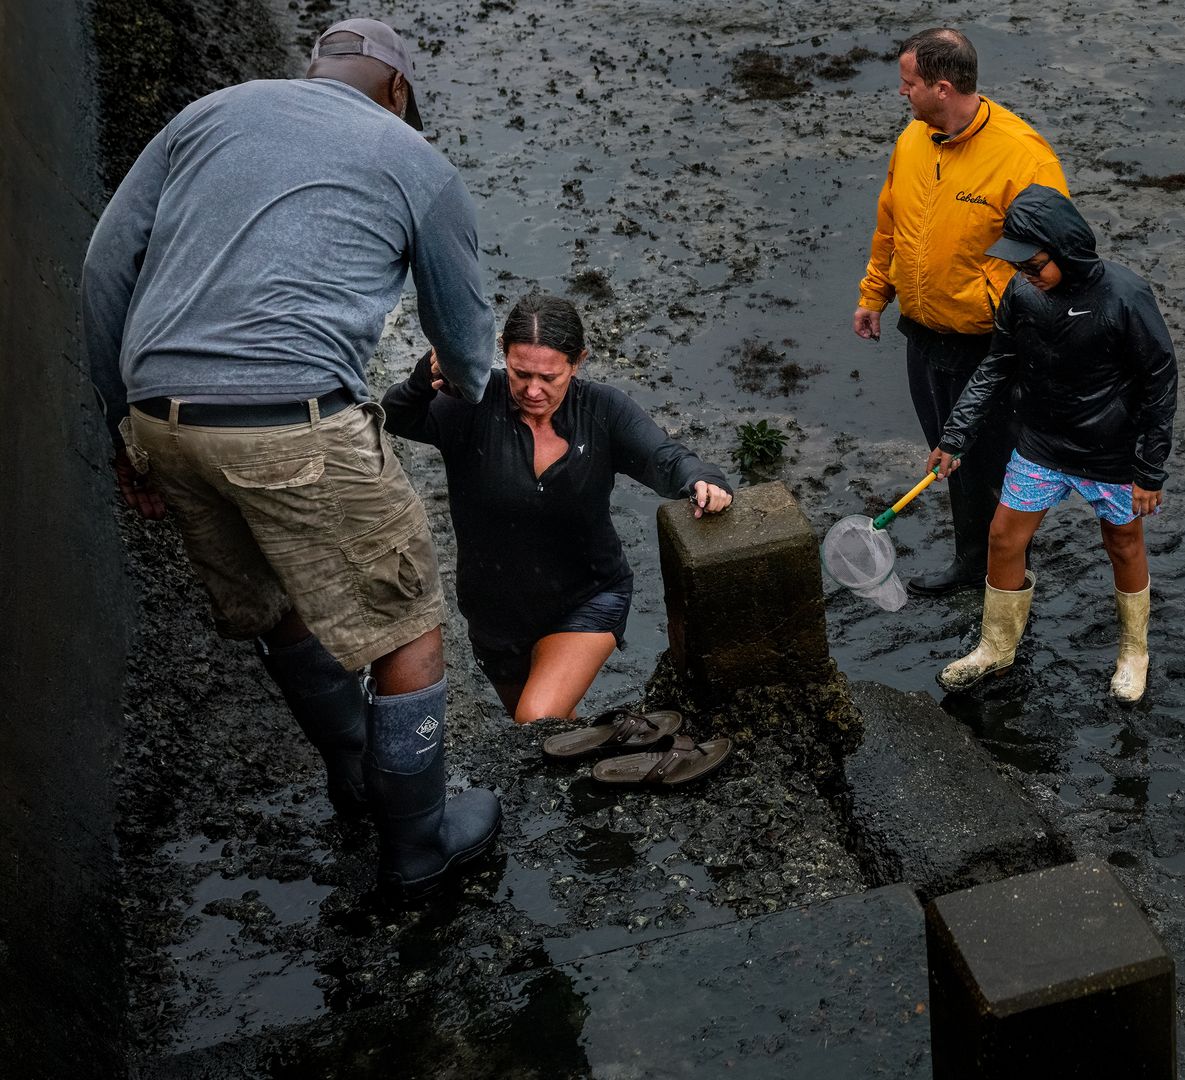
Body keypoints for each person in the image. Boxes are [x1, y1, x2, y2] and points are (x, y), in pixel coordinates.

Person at [83, 17, 500, 901]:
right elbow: (463, 343)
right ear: (397, 89)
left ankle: (354, 774)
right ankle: (419, 845)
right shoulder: (413, 159)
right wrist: (464, 387)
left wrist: (124, 421)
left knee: (279, 595)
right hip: (295, 421)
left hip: (166, 419)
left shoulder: (205, 115)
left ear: (313, 71)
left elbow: (103, 268)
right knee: (406, 619)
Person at [382, 291, 734, 728]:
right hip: (495, 614)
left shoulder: (603, 410)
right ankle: (616, 759)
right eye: (520, 373)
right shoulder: (472, 405)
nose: (533, 390)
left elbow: (665, 457)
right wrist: (424, 376)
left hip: (587, 595)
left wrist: (702, 480)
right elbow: (393, 417)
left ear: (577, 362)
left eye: (549, 376)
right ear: (504, 359)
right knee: (554, 735)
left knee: (536, 719)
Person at [926, 185, 1178, 702]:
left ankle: (1134, 652)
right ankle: (997, 645)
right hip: (1041, 442)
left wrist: (1149, 469)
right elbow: (997, 364)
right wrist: (955, 436)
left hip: (1110, 453)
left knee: (1123, 543)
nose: (1026, 274)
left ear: (1067, 251)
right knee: (1002, 537)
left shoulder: (1125, 296)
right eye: (1019, 265)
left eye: (1035, 264)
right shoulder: (1021, 295)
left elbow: (1160, 379)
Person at [852, 27, 1068, 596]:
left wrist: (1016, 326)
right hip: (923, 334)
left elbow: (1055, 260)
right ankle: (974, 562)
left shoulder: (1024, 157)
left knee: (993, 463)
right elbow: (889, 223)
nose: (903, 93)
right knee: (947, 455)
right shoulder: (913, 141)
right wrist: (875, 293)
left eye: (909, 83)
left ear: (942, 87)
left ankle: (1008, 577)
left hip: (989, 344)